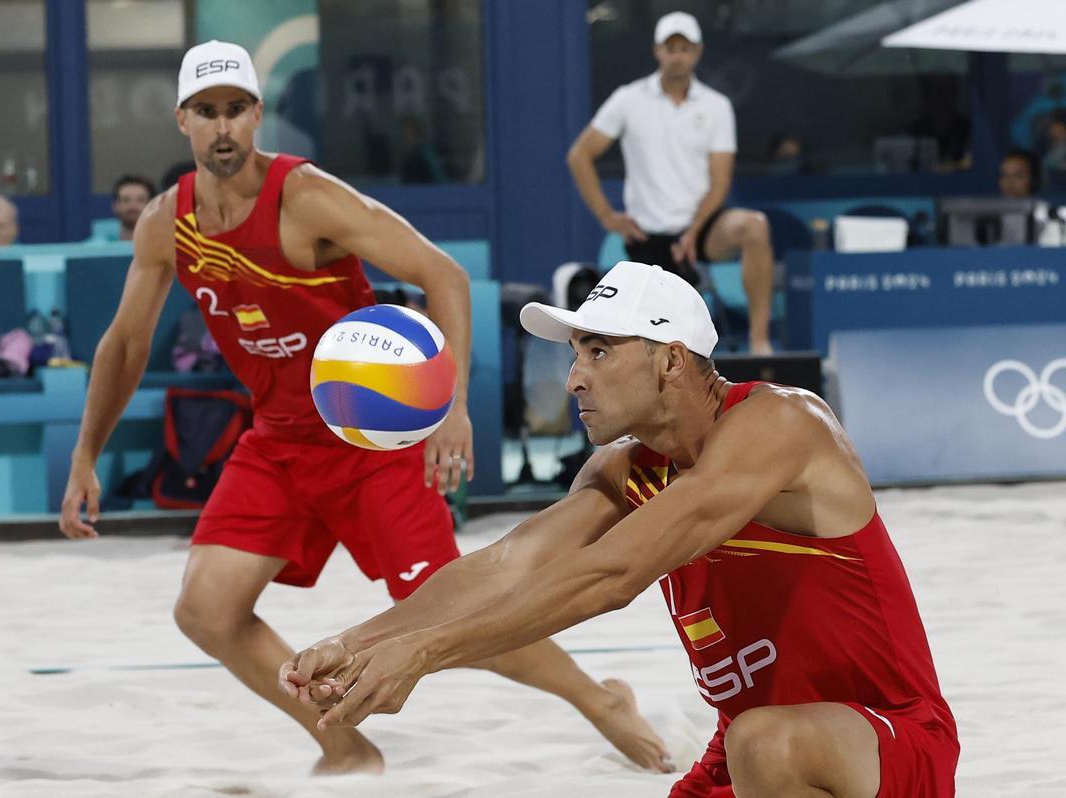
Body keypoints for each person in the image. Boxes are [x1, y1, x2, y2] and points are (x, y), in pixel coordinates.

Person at [58, 40, 668, 775]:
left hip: (369, 441)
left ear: (257, 115)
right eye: (205, 112)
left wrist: (453, 408)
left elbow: (441, 273)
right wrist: (85, 453)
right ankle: (343, 743)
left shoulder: (307, 197)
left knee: (452, 613)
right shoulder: (166, 225)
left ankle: (598, 700)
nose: (222, 127)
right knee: (206, 611)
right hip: (278, 441)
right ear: (181, 120)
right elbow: (124, 345)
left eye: (235, 110)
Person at [281, 260, 959, 796]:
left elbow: (615, 574)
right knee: (753, 741)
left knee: (765, 742)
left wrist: (427, 654)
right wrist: (357, 642)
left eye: (599, 352)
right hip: (744, 753)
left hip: (886, 743)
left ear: (670, 358)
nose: (574, 378)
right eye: (575, 354)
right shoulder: (620, 470)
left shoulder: (781, 424)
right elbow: (508, 565)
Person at [567, 11, 775, 355]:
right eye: (671, 47)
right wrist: (607, 215)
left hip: (701, 229)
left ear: (698, 51)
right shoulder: (629, 99)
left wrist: (693, 231)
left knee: (754, 226)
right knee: (653, 344)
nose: (678, 55)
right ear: (657, 51)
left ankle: (759, 342)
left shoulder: (716, 106)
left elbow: (720, 180)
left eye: (685, 47)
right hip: (648, 236)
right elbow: (580, 155)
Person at [110, 174, 156, 241]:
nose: (133, 205)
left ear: (152, 207)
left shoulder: (166, 246)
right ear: (115, 206)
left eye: (140, 200)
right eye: (126, 200)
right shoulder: (96, 248)